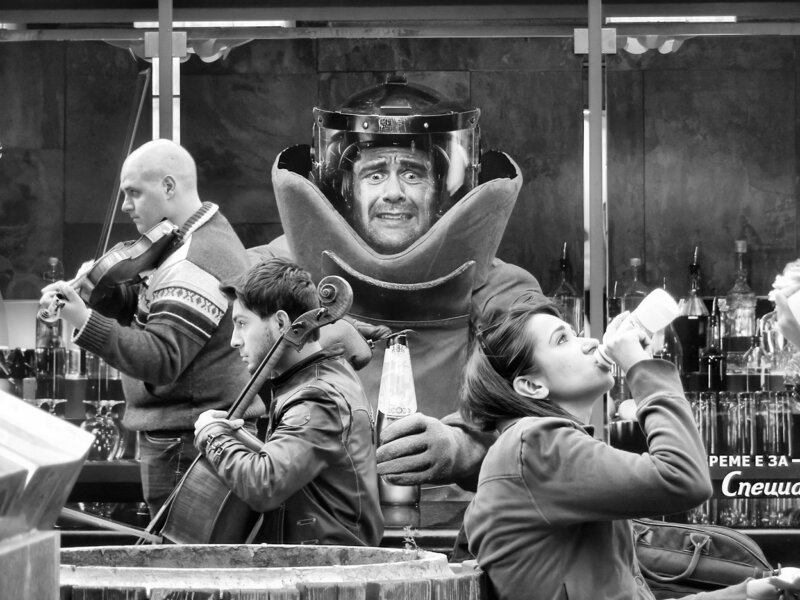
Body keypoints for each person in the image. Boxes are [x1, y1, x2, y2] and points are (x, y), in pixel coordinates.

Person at [250, 76, 548, 490]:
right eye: (374, 175)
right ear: (346, 191)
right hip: (321, 514)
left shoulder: (502, 291)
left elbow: (548, 414)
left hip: (458, 518)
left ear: (441, 191)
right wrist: (292, 339)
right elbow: (219, 393)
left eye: (412, 174)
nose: (393, 192)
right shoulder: (280, 272)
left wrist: (465, 446)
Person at [460, 299, 800, 600]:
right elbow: (684, 477)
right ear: (532, 385)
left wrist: (749, 593)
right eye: (563, 339)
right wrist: (641, 368)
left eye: (576, 334)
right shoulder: (534, 444)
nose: (590, 343)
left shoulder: (539, 449)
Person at [39, 138, 252, 517]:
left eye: (133, 192)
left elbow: (161, 358)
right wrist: (104, 296)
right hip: (185, 438)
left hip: (186, 443)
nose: (125, 205)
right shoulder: (185, 243)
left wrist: (83, 319)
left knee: (178, 552)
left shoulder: (196, 259)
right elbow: (152, 313)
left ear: (168, 186)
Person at [192, 257, 383, 546]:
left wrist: (212, 435)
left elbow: (264, 484)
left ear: (281, 323)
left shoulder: (319, 397)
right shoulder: (307, 383)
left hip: (328, 567)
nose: (234, 340)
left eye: (242, 324)